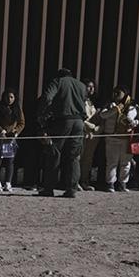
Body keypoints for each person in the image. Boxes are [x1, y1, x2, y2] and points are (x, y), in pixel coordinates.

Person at [38, 68, 87, 198]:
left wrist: (43, 114)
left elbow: (47, 98)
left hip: (63, 121)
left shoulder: (58, 82)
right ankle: (72, 189)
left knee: (54, 152)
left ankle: (49, 188)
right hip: (79, 122)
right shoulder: (81, 85)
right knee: (74, 156)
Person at [94, 85, 138, 192]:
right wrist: (115, 109)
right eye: (114, 92)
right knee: (112, 162)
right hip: (111, 137)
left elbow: (137, 120)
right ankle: (110, 183)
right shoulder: (110, 105)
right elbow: (103, 115)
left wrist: (133, 122)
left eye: (119, 92)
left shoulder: (132, 106)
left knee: (126, 162)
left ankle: (123, 183)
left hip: (126, 138)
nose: (116, 94)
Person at [0, 88, 25, 192]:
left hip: (10, 138)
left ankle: (8, 182)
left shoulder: (17, 109)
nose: (9, 99)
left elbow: (21, 123)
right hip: (0, 137)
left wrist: (16, 131)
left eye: (11, 97)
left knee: (9, 161)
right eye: (7, 97)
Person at [79, 79, 100, 191]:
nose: (91, 89)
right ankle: (75, 181)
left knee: (88, 159)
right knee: (79, 158)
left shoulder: (91, 102)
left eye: (93, 87)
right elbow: (81, 119)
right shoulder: (80, 100)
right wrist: (93, 127)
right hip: (83, 132)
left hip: (92, 135)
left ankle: (84, 181)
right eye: (88, 86)